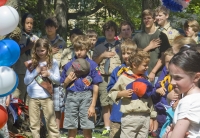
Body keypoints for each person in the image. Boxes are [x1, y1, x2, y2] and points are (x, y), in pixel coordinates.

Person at [60, 35, 102, 138]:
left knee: (87, 127)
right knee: (71, 127)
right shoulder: (68, 65)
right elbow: (63, 85)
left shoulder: (92, 65)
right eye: (76, 49)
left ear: (87, 49)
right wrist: (67, 80)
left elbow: (96, 85)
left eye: (81, 50)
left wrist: (92, 105)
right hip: (71, 96)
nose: (79, 52)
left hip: (87, 96)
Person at [108, 49, 157, 138]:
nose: (147, 68)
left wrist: (152, 116)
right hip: (130, 117)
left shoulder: (146, 79)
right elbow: (111, 93)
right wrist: (121, 94)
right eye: (145, 65)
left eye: (147, 65)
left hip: (144, 117)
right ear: (134, 65)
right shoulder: (124, 77)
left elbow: (149, 99)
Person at [24, 38, 60, 138]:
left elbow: (58, 80)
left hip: (46, 96)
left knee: (51, 123)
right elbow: (26, 81)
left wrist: (49, 74)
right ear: (35, 50)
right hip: (32, 97)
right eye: (38, 50)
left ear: (48, 50)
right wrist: (36, 70)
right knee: (34, 124)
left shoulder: (53, 62)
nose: (40, 53)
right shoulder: (32, 63)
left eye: (43, 50)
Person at [92, 20, 122, 136]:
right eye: (107, 30)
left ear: (115, 32)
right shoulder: (99, 47)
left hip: (117, 78)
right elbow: (93, 63)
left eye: (112, 30)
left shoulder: (120, 46)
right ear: (104, 32)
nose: (109, 33)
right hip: (103, 78)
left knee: (116, 102)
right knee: (105, 103)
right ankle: (107, 127)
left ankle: (117, 125)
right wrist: (102, 55)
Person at [162, 49, 200, 138]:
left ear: (196, 77)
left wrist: (168, 134)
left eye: (177, 78)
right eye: (171, 77)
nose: (172, 82)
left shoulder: (188, 102)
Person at [107, 38, 137, 138]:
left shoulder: (140, 70)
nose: (126, 56)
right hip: (118, 113)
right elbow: (110, 89)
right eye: (124, 53)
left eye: (129, 53)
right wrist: (120, 93)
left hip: (134, 113)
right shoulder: (117, 70)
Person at [133, 9, 170, 83]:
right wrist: (149, 47)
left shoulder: (161, 35)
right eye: (144, 18)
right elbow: (133, 56)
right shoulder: (137, 36)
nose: (147, 20)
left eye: (149, 18)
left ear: (154, 19)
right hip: (141, 74)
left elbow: (163, 56)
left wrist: (153, 72)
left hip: (157, 74)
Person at [43, 17, 67, 129]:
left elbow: (66, 59)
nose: (49, 29)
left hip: (58, 77)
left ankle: (57, 130)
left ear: (56, 27)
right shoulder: (41, 41)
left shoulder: (62, 42)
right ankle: (46, 129)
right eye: (47, 26)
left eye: (51, 26)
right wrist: (49, 52)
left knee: (58, 106)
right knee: (45, 104)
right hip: (44, 76)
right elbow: (37, 57)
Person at [12, 13, 38, 103]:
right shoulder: (17, 37)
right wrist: (27, 47)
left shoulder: (35, 38)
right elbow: (14, 54)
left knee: (29, 99)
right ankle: (18, 116)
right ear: (23, 23)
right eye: (27, 23)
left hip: (32, 72)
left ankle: (28, 116)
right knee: (18, 96)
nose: (29, 25)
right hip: (19, 71)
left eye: (31, 23)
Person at [151, 48, 174, 137]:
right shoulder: (164, 74)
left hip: (173, 116)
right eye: (167, 62)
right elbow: (153, 94)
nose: (169, 64)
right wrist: (157, 91)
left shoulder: (181, 77)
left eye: (172, 61)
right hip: (162, 115)